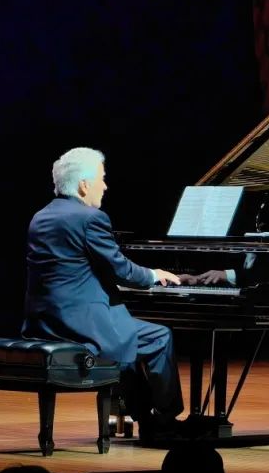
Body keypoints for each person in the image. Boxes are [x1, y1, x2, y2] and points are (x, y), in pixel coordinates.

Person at [21, 147, 185, 439]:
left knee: (130, 343)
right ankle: (165, 419)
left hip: (45, 323)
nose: (106, 186)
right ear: (84, 185)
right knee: (159, 337)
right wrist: (153, 275)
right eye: (102, 179)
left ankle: (145, 419)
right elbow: (120, 269)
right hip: (81, 325)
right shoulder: (90, 218)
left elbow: (73, 269)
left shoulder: (41, 217)